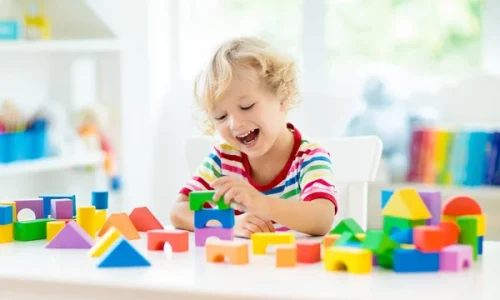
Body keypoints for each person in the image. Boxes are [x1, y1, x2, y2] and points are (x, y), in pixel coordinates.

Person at [170, 37, 338, 237]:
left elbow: (322, 218)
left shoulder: (309, 158)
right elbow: (179, 212)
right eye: (221, 117)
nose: (234, 124)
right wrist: (228, 225)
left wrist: (261, 203)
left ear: (282, 98)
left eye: (246, 106)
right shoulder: (223, 159)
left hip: (294, 265)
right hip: (241, 266)